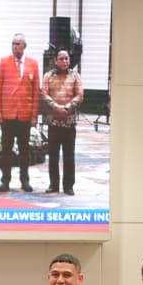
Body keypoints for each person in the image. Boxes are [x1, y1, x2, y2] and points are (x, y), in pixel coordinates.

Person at [0, 33, 41, 193]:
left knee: (24, 150)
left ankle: (24, 180)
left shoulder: (33, 64)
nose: (15, 47)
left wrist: (34, 115)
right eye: (13, 44)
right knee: (6, 150)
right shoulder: (4, 62)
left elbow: (36, 92)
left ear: (24, 46)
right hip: (8, 115)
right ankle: (5, 181)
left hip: (25, 115)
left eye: (18, 44)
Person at [42, 49, 83, 195]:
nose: (64, 61)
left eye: (66, 58)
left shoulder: (75, 76)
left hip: (69, 123)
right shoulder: (48, 76)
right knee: (53, 156)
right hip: (53, 123)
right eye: (61, 59)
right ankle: (53, 185)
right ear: (55, 60)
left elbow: (80, 95)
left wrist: (68, 107)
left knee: (69, 156)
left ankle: (68, 186)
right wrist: (55, 107)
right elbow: (44, 94)